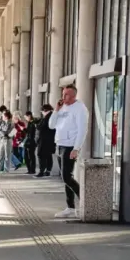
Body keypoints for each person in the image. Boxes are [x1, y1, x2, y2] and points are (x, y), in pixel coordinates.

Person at [49, 84, 89, 218]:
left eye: (66, 94)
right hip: (60, 144)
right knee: (66, 178)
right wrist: (56, 110)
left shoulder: (80, 109)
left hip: (70, 146)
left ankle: (86, 201)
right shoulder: (62, 107)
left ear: (73, 96)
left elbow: (82, 130)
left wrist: (76, 148)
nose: (63, 97)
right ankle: (70, 207)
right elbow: (51, 125)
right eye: (63, 94)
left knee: (66, 177)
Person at [36, 104, 56, 177]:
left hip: (45, 140)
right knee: (48, 155)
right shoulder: (49, 116)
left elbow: (41, 127)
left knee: (41, 155)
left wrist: (37, 126)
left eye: (42, 111)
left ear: (45, 110)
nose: (42, 113)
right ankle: (47, 171)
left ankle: (42, 171)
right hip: (48, 139)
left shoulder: (48, 117)